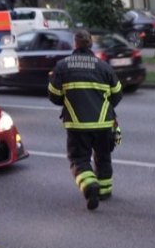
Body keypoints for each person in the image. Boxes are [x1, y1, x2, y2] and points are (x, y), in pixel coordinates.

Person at [48, 28, 122, 210]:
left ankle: (90, 185)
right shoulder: (103, 66)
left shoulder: (62, 67)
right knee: (103, 157)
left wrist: (68, 99)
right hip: (104, 124)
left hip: (77, 124)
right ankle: (104, 191)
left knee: (79, 159)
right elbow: (117, 95)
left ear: (75, 43)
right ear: (91, 44)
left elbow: (54, 96)